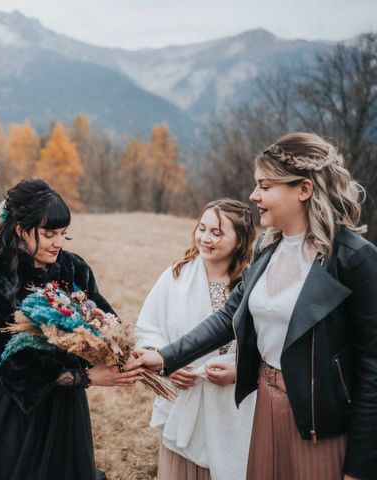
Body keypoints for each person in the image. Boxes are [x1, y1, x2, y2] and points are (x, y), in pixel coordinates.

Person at [132, 132, 377, 480]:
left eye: (265, 186)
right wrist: (165, 357)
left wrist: (362, 465)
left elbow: (372, 368)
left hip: (319, 423)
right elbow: (228, 317)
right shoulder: (267, 249)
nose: (253, 195)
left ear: (303, 190)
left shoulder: (354, 259)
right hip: (263, 410)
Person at [0, 178, 142, 480]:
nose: (58, 242)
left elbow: (104, 316)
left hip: (66, 406)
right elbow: (13, 365)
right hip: (17, 409)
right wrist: (87, 377)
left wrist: (120, 351)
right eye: (48, 234)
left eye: (62, 233)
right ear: (20, 229)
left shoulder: (73, 268)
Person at [135, 199, 256, 480]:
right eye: (202, 228)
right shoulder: (176, 276)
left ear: (240, 240)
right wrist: (169, 363)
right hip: (184, 399)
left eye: (217, 232)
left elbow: (266, 344)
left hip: (235, 410)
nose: (205, 238)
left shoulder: (250, 285)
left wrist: (240, 371)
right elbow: (148, 329)